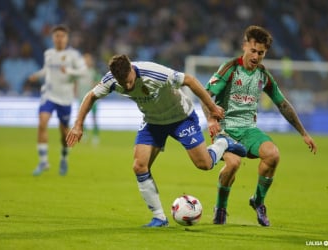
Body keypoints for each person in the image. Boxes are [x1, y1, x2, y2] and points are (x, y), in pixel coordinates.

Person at [66, 54, 247, 227]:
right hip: (153, 122)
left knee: (204, 164)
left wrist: (212, 107)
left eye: (129, 80)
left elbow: (190, 80)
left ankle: (223, 143)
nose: (128, 86)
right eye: (123, 83)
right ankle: (159, 217)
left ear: (131, 68)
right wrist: (78, 124)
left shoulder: (155, 73)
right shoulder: (111, 80)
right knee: (139, 166)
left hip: (181, 118)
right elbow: (91, 96)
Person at [203, 25, 317, 226]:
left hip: (248, 130)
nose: (256, 56)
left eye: (261, 53)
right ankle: (221, 207)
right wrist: (212, 120)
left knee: (273, 155)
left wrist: (303, 133)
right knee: (234, 164)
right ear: (244, 46)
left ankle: (258, 201)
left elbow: (282, 104)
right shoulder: (229, 68)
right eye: (253, 50)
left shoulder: (263, 76)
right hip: (225, 129)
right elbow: (206, 98)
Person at [29, 24, 87, 176]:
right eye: (57, 36)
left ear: (67, 38)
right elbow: (47, 69)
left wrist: (69, 71)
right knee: (42, 123)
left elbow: (83, 71)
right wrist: (37, 75)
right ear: (53, 38)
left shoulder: (73, 55)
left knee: (64, 134)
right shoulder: (49, 53)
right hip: (48, 94)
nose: (59, 39)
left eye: (62, 36)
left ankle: (64, 157)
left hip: (65, 98)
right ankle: (43, 162)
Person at [75, 53, 100, 145]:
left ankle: (95, 136)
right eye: (85, 60)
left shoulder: (94, 72)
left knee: (94, 118)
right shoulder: (80, 72)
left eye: (88, 60)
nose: (87, 61)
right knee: (81, 118)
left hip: (91, 99)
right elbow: (76, 83)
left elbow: (98, 83)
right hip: (81, 99)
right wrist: (76, 92)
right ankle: (84, 135)